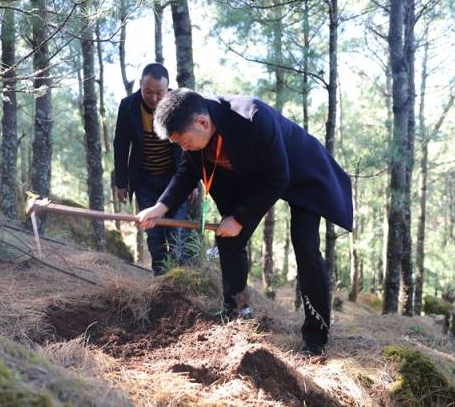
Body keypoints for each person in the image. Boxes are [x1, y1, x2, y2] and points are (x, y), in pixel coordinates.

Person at [137, 89, 353, 356]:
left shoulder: (252, 117)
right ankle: (237, 310)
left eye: (185, 142)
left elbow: (278, 179)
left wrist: (239, 219)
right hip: (255, 178)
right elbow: (187, 171)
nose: (184, 149)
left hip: (301, 174)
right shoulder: (196, 134)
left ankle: (316, 336)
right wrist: (161, 207)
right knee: (227, 237)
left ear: (202, 123)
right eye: (179, 145)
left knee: (306, 246)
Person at [114, 63, 191, 276]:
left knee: (177, 229)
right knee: (154, 232)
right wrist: (121, 183)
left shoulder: (180, 104)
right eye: (149, 92)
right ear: (140, 86)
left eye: (160, 93)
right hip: (144, 179)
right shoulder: (128, 106)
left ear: (168, 89)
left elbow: (191, 145)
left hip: (175, 179)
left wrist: (192, 181)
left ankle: (178, 277)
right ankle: (159, 277)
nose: (155, 98)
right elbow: (120, 144)